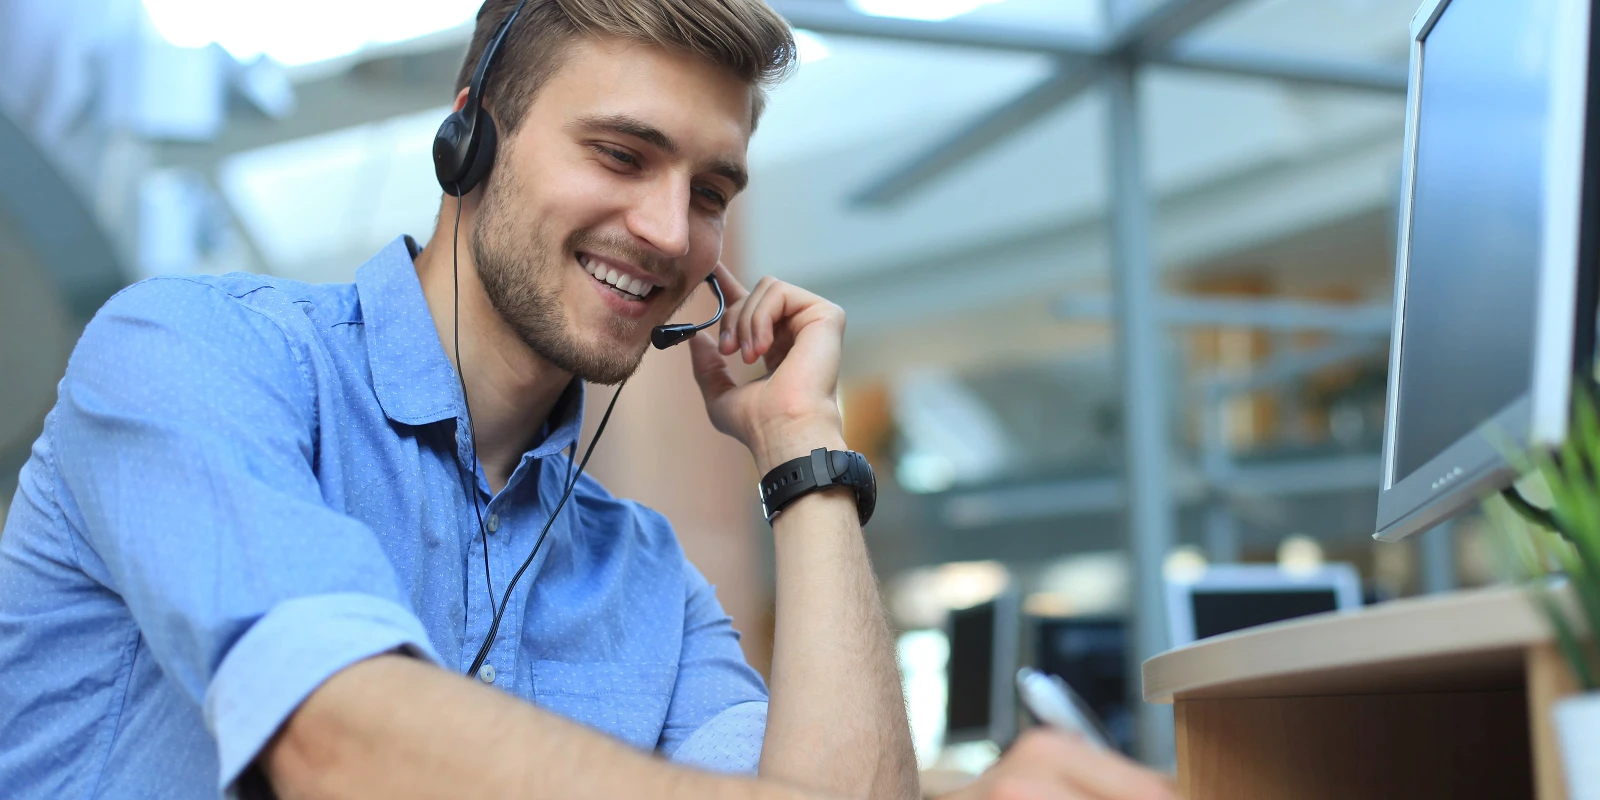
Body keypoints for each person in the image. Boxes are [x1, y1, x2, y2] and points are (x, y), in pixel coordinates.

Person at [0, 1, 1182, 798]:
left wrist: (801, 449)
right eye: (622, 154)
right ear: (470, 129)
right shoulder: (192, 356)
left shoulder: (648, 584)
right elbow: (341, 742)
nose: (670, 231)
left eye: (710, 188)